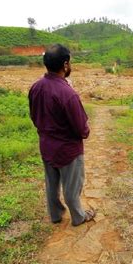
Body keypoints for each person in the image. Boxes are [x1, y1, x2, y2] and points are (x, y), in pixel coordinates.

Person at [28, 44, 95, 226]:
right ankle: (78, 217)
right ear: (65, 65)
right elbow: (82, 129)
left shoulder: (35, 87)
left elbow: (34, 116)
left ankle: (56, 215)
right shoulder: (68, 93)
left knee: (52, 185)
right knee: (72, 188)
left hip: (47, 146)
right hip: (68, 151)